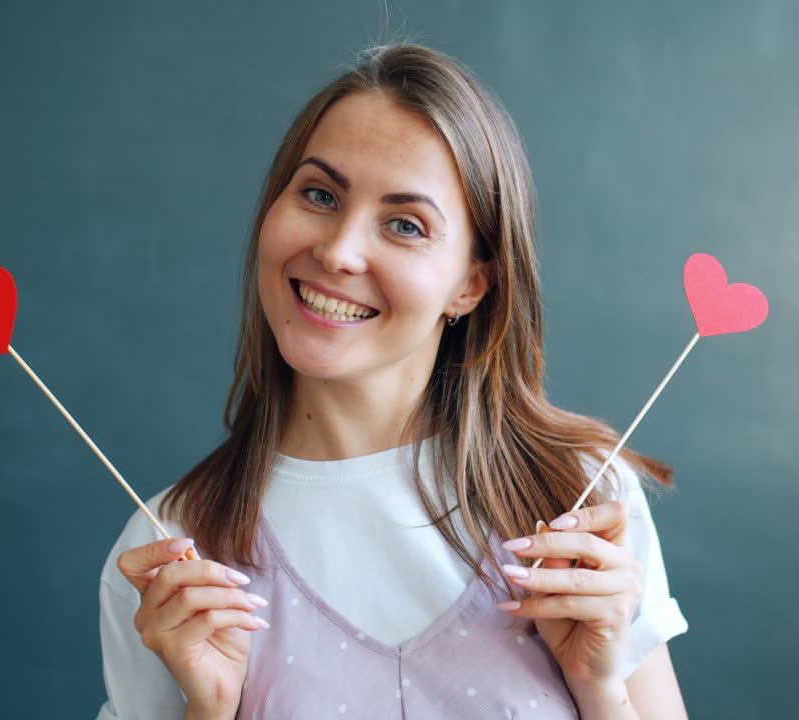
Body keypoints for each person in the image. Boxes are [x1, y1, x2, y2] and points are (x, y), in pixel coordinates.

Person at [96, 43, 689, 719]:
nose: (338, 251)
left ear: (471, 284)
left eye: (405, 225)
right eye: (319, 194)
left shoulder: (581, 505)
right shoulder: (166, 552)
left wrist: (600, 688)